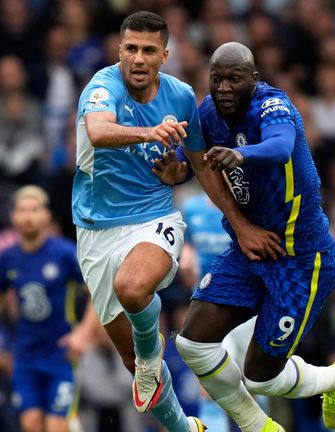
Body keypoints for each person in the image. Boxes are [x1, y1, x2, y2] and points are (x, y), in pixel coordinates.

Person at [157, 42, 335, 432]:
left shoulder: (273, 106)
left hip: (301, 259)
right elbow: (194, 162)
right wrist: (176, 171)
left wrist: (242, 155)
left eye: (235, 78)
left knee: (261, 377)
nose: (225, 87)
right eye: (217, 79)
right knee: (191, 344)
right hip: (248, 250)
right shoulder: (208, 113)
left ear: (254, 79)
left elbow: (281, 147)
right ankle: (257, 426)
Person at [71, 11, 206, 432]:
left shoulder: (182, 96)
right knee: (131, 364)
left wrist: (178, 172)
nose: (138, 58)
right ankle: (185, 430)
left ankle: (153, 353)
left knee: (132, 287)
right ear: (119, 50)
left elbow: (196, 163)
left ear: (165, 55)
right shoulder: (102, 86)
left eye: (149, 50)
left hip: (154, 217)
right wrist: (151, 133)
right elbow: (98, 131)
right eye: (131, 48)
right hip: (95, 232)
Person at [0, 185, 95, 432]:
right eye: (22, 210)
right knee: (31, 425)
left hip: (61, 355)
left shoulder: (64, 253)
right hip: (25, 357)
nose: (28, 216)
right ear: (13, 217)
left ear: (46, 216)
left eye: (34, 210)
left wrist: (83, 334)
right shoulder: (7, 257)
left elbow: (96, 296)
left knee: (57, 426)